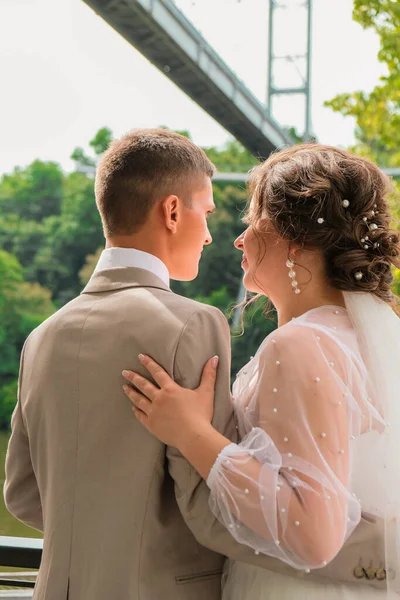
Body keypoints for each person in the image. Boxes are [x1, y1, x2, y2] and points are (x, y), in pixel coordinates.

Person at [5, 128, 281, 600]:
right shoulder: (192, 325)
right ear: (172, 212)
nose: (212, 234)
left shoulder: (42, 338)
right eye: (207, 212)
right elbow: (211, 506)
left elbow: (22, 493)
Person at [122, 144, 400, 599]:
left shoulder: (302, 345)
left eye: (254, 220)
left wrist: (192, 433)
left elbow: (314, 534)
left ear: (299, 239)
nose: (239, 238)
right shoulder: (366, 338)